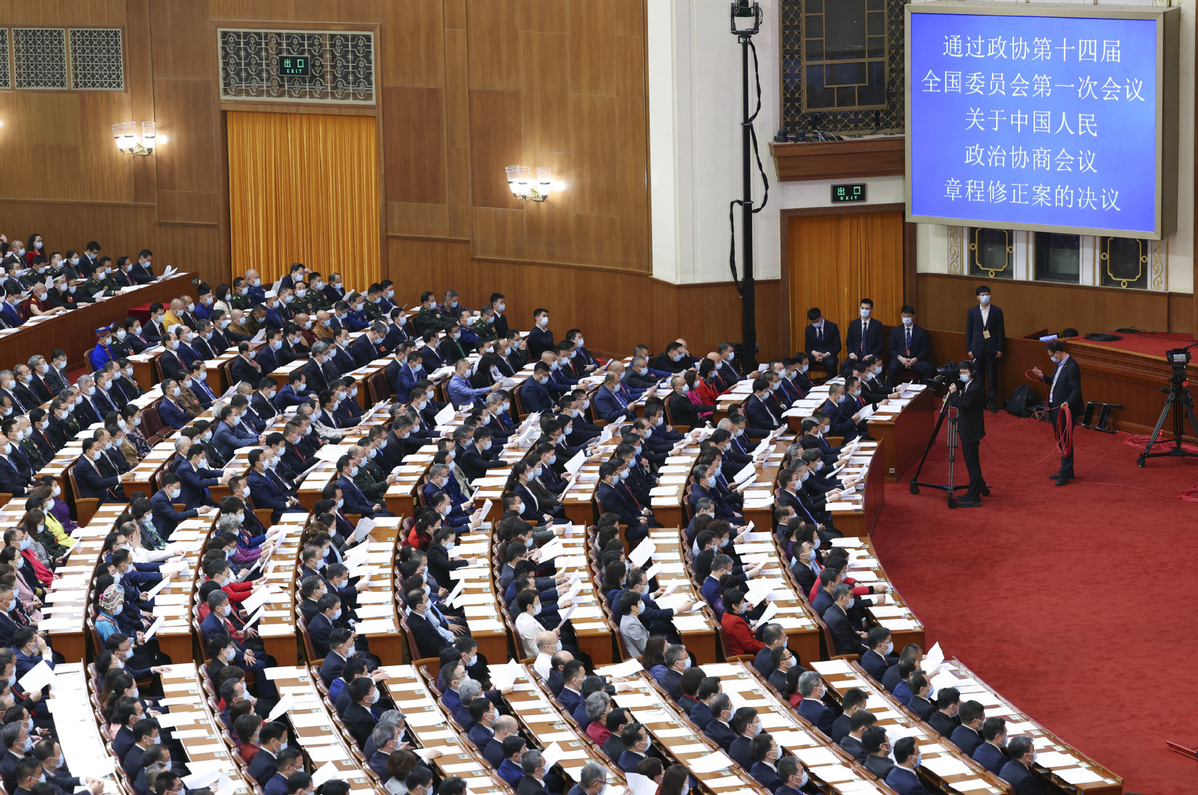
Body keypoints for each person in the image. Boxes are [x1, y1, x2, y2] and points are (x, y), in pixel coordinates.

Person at [1032, 339, 1083, 486]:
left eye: (1051, 355)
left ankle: (1065, 472)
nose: (1051, 358)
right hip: (1056, 408)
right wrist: (1043, 376)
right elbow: (1055, 382)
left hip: (1066, 409)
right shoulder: (1060, 365)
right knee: (1060, 439)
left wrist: (1068, 401)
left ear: (1058, 353)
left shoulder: (1072, 367)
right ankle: (1067, 469)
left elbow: (1076, 390)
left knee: (1065, 440)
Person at [948, 360, 986, 508]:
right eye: (961, 373)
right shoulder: (969, 385)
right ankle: (971, 492)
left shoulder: (975, 387)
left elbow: (963, 405)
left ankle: (974, 497)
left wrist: (953, 394)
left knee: (973, 465)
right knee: (971, 464)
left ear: (972, 373)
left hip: (971, 431)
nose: (962, 375)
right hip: (968, 429)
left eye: (965, 373)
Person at [965, 284, 1005, 412]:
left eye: (987, 294)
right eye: (982, 295)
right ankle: (981, 402)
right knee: (979, 377)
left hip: (992, 349)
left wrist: (1000, 348)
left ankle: (992, 403)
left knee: (992, 377)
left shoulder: (997, 311)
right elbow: (968, 331)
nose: (985, 297)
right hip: (977, 348)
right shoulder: (972, 311)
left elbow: (1001, 331)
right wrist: (969, 349)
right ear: (977, 297)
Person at [887, 306, 934, 387]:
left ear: (913, 316)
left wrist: (915, 359)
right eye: (904, 316)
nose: (906, 318)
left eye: (908, 316)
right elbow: (891, 349)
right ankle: (890, 392)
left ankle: (924, 393)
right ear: (901, 316)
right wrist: (901, 358)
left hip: (914, 361)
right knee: (893, 367)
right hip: (900, 359)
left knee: (929, 368)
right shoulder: (895, 331)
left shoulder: (921, 331)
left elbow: (924, 349)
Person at [843, 298, 884, 375]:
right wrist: (851, 353)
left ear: (871, 310)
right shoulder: (853, 324)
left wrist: (871, 355)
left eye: (867, 308)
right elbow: (849, 342)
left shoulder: (877, 325)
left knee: (866, 367)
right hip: (856, 354)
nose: (864, 310)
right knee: (844, 366)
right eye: (862, 308)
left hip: (870, 355)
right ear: (859, 308)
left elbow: (880, 344)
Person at [803, 307, 841, 379]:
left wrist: (826, 355)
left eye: (816, 321)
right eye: (812, 322)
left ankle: (831, 384)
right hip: (814, 356)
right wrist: (814, 353)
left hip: (828, 355)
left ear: (821, 317)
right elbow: (807, 347)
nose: (815, 323)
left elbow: (838, 346)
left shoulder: (832, 326)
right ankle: (804, 384)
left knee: (831, 363)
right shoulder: (809, 329)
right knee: (802, 361)